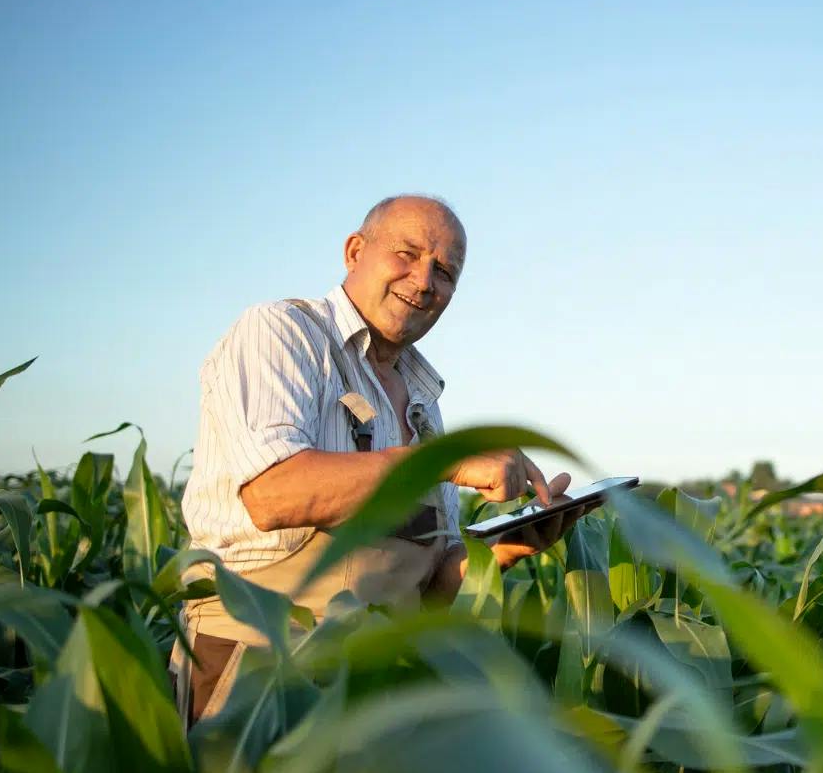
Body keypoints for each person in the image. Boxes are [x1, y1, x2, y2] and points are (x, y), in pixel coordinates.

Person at [176, 194, 581, 723]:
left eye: (444, 272)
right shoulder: (283, 334)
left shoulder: (423, 399)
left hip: (377, 680)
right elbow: (273, 493)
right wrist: (443, 462)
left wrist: (496, 554)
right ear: (354, 250)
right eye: (407, 254)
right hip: (267, 665)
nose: (423, 281)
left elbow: (426, 592)